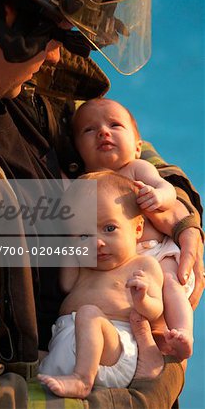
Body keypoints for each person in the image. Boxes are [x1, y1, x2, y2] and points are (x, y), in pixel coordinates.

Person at [0, 0, 203, 408]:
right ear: (8, 17)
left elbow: (124, 144)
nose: (58, 55)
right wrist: (145, 395)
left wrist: (181, 216)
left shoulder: (22, 82)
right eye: (59, 33)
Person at [72, 98, 195, 360]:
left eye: (114, 125)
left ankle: (182, 333)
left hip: (155, 252)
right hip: (118, 261)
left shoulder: (136, 168)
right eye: (89, 130)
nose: (103, 132)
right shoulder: (84, 185)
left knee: (170, 283)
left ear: (138, 147)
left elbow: (166, 188)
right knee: (122, 301)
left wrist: (158, 196)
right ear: (77, 149)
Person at [38, 171, 165, 398]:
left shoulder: (143, 265)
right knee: (29, 356)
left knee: (88, 314)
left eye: (109, 229)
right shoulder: (84, 266)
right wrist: (72, 247)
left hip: (113, 350)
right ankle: (69, 375)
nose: (97, 242)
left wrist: (143, 298)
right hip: (65, 343)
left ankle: (82, 380)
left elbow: (156, 311)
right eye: (84, 235)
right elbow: (66, 286)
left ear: (137, 229)